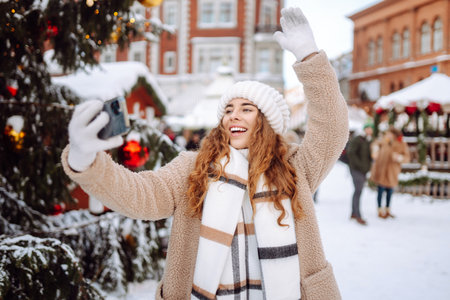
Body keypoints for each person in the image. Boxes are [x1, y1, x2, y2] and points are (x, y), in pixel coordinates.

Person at [62, 7, 347, 299]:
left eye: (246, 109)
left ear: (267, 122)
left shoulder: (294, 166)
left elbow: (332, 127)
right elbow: (142, 195)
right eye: (228, 110)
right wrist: (87, 162)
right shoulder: (194, 167)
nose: (233, 116)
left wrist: (310, 59)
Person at [370, 127, 410, 218]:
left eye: (389, 134)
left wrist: (399, 158)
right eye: (387, 133)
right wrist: (375, 151)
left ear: (394, 135)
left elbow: (407, 158)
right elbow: (375, 144)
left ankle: (387, 210)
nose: (387, 135)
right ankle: (379, 210)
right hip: (382, 169)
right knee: (380, 190)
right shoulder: (383, 141)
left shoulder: (401, 144)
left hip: (392, 171)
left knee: (389, 192)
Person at [347, 123, 373, 225]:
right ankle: (358, 215)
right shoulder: (358, 139)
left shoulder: (368, 140)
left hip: (363, 170)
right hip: (356, 169)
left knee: (358, 191)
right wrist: (360, 165)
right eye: (368, 128)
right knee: (358, 191)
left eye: (371, 128)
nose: (370, 130)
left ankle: (354, 213)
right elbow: (351, 152)